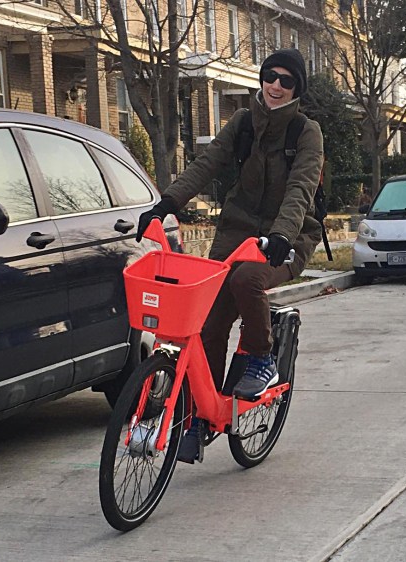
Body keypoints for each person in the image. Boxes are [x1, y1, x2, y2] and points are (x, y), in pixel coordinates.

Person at [135, 48, 324, 462]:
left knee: (246, 280)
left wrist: (281, 235)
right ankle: (201, 414)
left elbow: (300, 189)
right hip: (235, 231)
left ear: (296, 89)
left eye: (286, 80)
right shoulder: (241, 123)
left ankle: (260, 357)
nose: (275, 85)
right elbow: (206, 163)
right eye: (270, 76)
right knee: (209, 315)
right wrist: (165, 203)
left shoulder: (305, 132)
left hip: (288, 237)